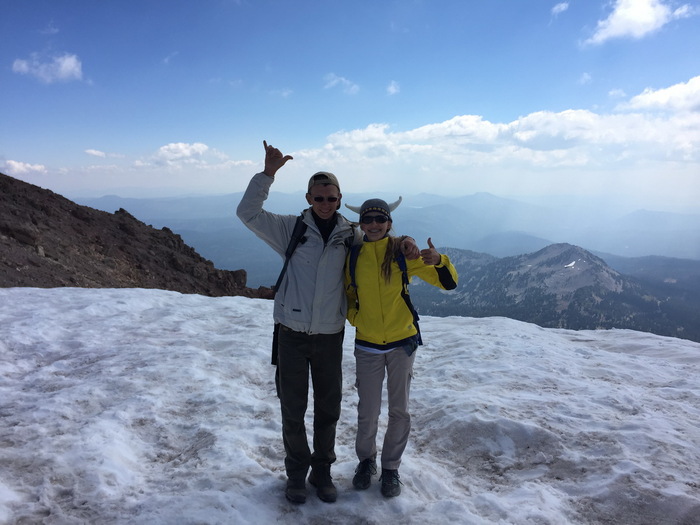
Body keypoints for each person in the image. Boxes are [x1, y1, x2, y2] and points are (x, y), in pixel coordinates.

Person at [236, 142, 419, 505]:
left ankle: (321, 473)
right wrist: (268, 174)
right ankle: (296, 476)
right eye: (318, 198)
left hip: (329, 336)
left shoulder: (349, 234)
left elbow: (377, 239)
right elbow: (248, 213)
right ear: (308, 198)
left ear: (339, 199)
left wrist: (406, 242)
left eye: (331, 198)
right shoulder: (290, 229)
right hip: (290, 333)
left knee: (328, 408)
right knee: (292, 407)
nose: (325, 203)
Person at [344, 198, 458, 498]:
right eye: (367, 219)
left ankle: (391, 468)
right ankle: (366, 462)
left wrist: (440, 260)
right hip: (367, 344)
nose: (373, 225)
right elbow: (349, 292)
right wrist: (355, 316)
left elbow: (448, 284)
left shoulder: (402, 253)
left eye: (379, 220)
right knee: (367, 411)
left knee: (399, 411)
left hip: (401, 343)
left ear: (389, 223)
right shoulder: (353, 255)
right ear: (360, 223)